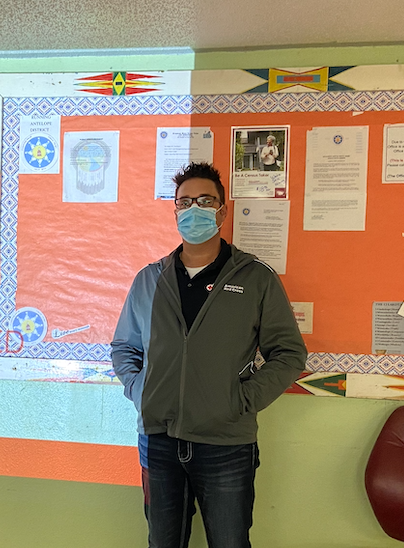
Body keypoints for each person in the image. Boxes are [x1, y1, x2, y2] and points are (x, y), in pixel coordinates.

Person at [111, 162, 306, 548]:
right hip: (159, 441)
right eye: (185, 202)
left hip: (226, 444)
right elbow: (124, 348)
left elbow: (288, 353)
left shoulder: (255, 278)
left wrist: (240, 401)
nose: (194, 209)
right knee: (162, 542)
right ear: (175, 212)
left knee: (230, 542)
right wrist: (141, 391)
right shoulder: (150, 279)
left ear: (222, 211)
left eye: (205, 201)